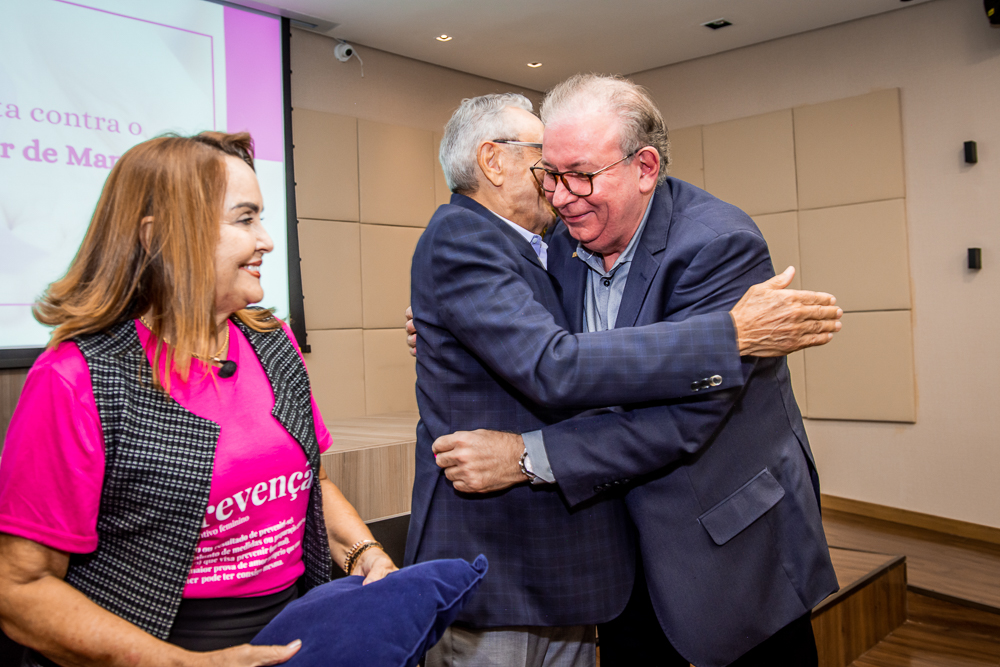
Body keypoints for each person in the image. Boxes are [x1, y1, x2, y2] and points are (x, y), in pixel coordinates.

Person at [406, 93, 841, 667]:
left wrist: (526, 457)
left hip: (726, 556)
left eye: (580, 176)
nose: (560, 197)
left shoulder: (717, 245)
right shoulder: (561, 241)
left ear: (645, 168)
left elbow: (681, 422)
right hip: (614, 558)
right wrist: (448, 329)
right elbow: (550, 355)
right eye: (551, 174)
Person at [0, 132, 396, 667]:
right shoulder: (77, 376)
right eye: (244, 219)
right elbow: (20, 589)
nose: (267, 240)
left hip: (293, 633)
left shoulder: (271, 341)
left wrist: (364, 555)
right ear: (159, 235)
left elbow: (312, 479)